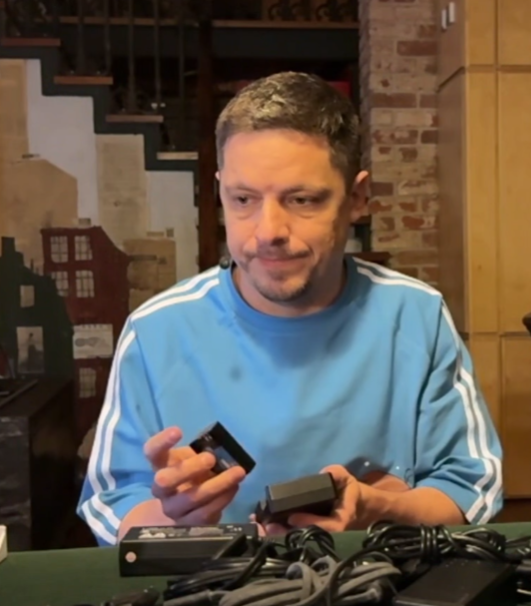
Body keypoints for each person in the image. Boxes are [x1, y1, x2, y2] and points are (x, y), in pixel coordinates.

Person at [77, 72, 503, 546]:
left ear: (357, 198)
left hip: (375, 578)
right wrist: (173, 517)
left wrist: (376, 509)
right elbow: (111, 505)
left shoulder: (416, 316)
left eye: (302, 200)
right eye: (243, 199)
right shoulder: (156, 330)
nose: (268, 232)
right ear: (219, 191)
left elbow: (469, 488)